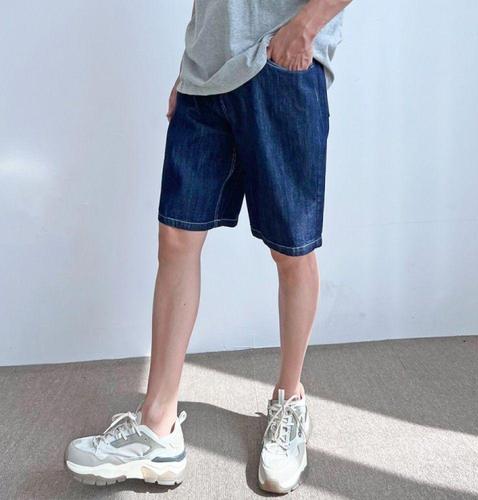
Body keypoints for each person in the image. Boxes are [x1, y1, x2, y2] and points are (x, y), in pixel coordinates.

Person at [65, 0, 351, 494]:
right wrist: (190, 66)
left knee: (291, 249)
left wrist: (305, 28)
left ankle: (289, 401)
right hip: (205, 73)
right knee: (176, 236)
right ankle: (157, 425)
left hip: (280, 66)